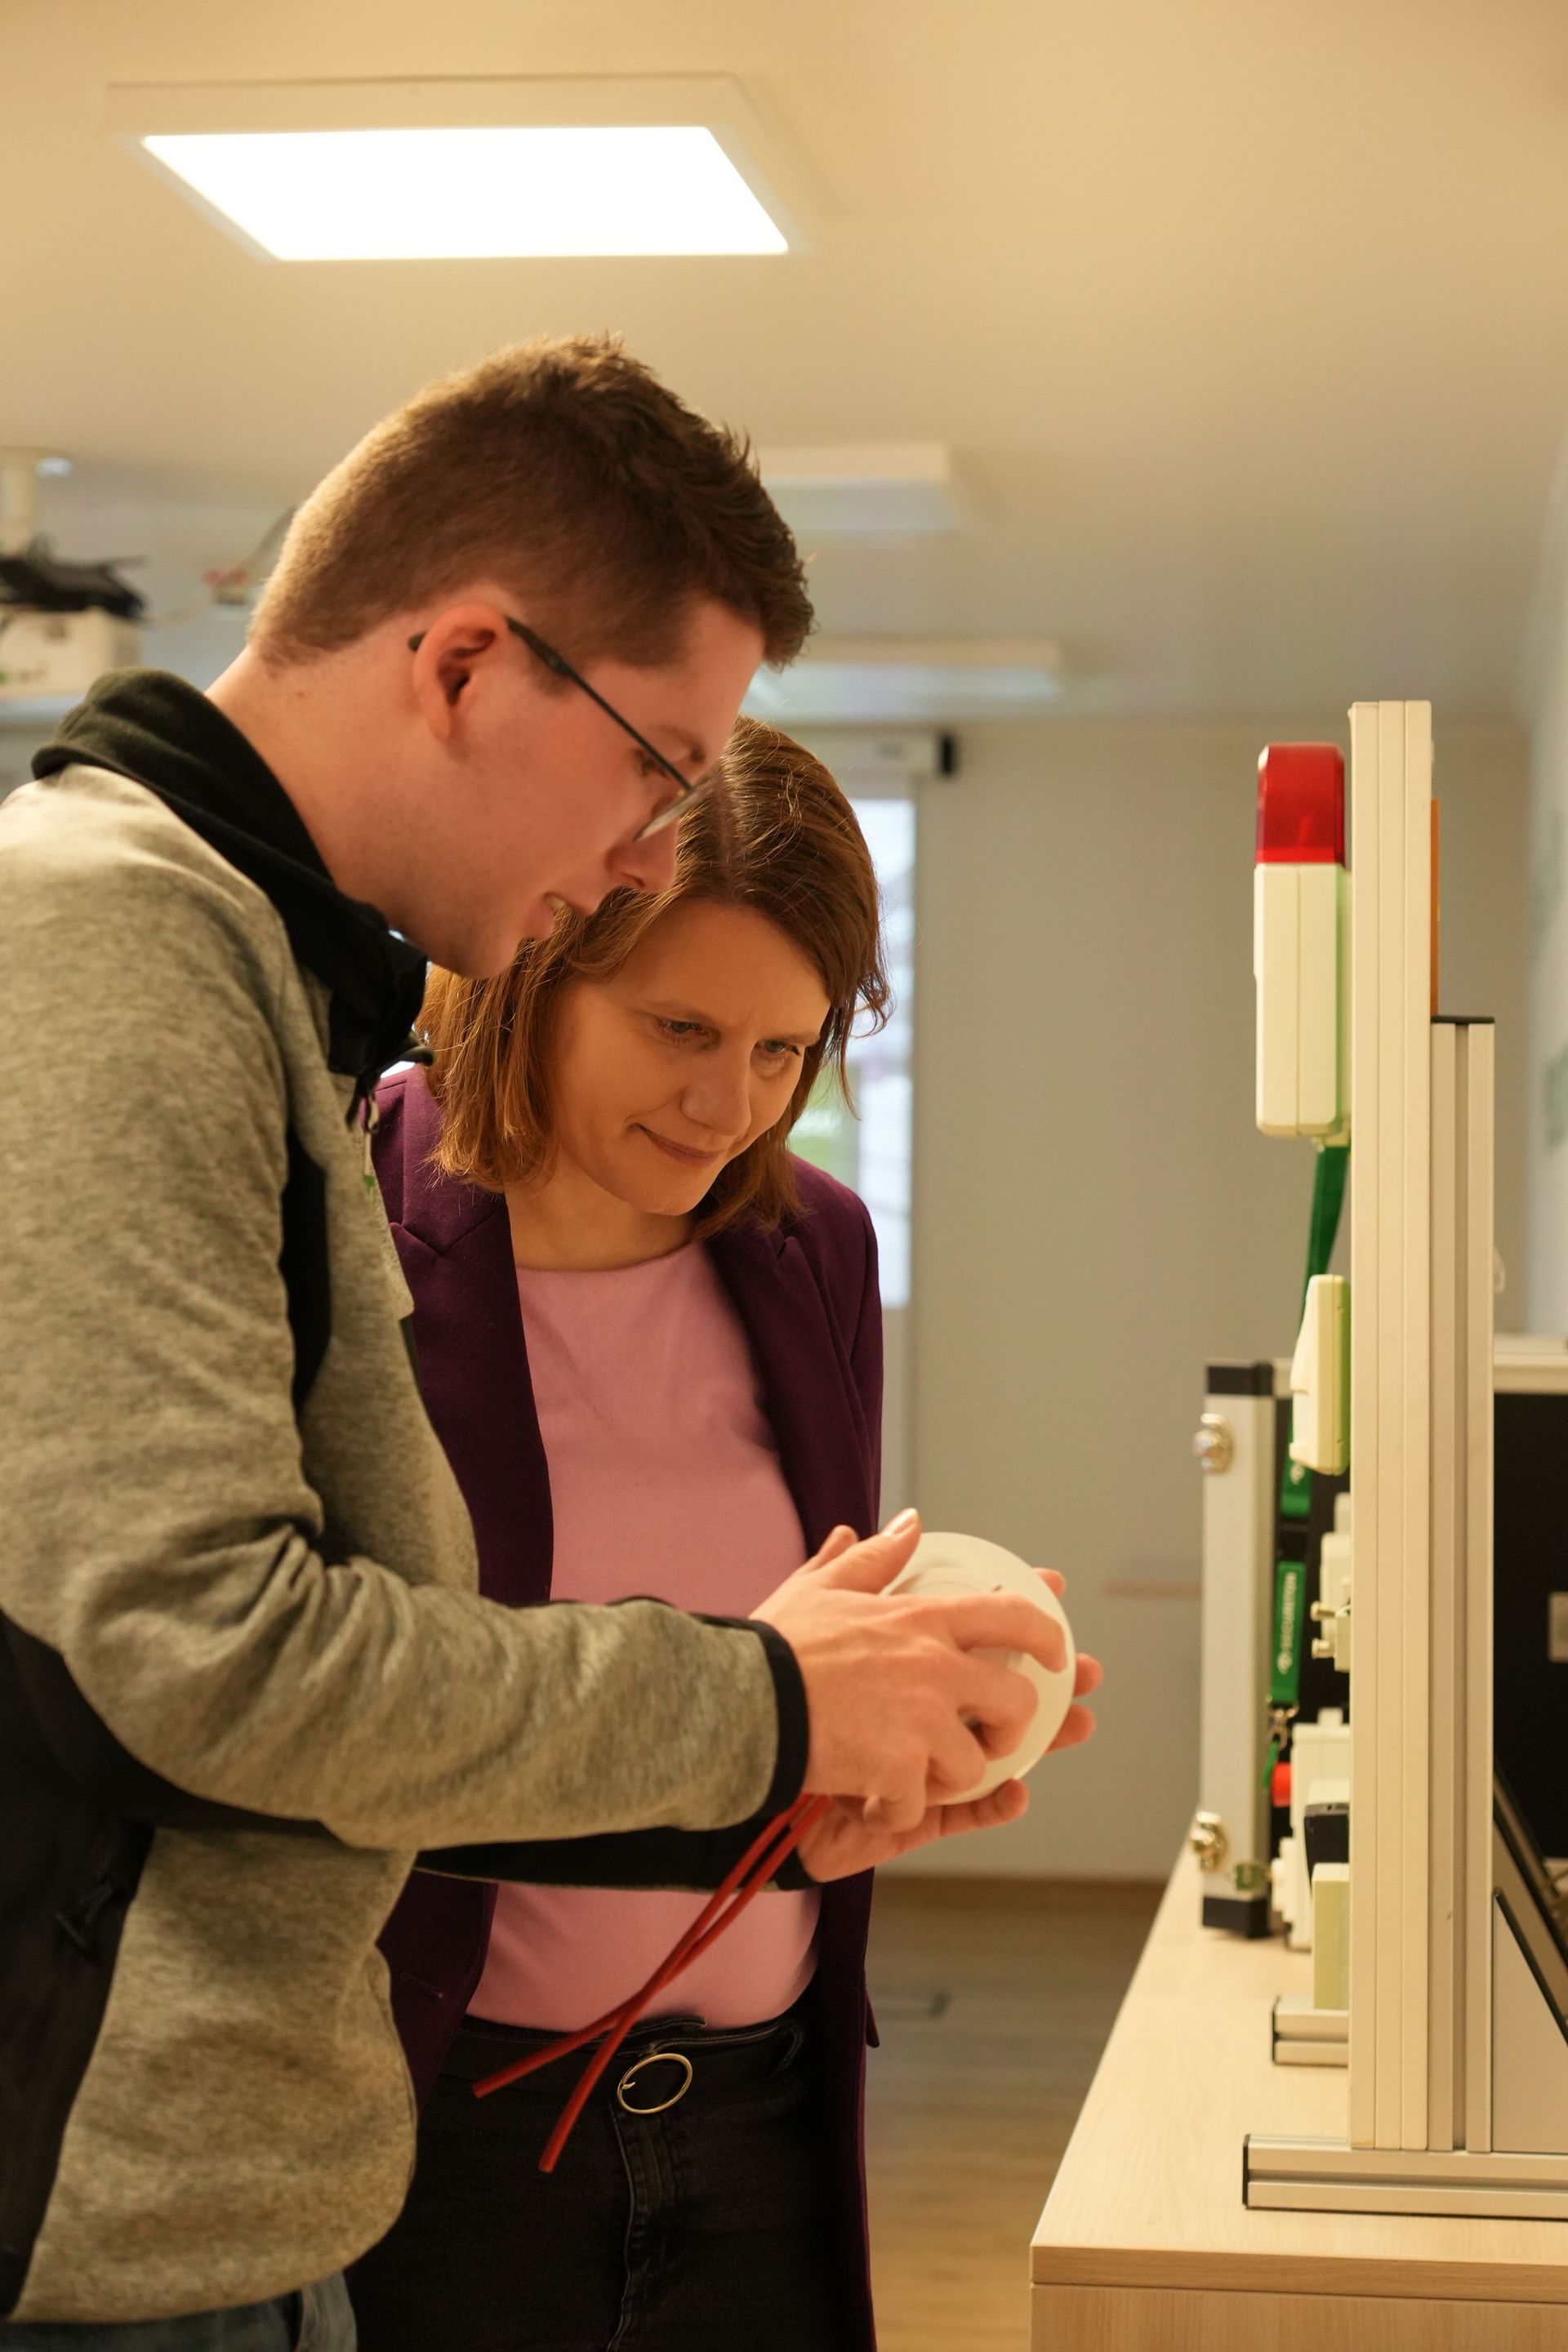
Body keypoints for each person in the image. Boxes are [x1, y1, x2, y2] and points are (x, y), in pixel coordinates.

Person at [0, 336, 1069, 2345]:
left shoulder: (254, 970)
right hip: (126, 2208)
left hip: (243, 2197)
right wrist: (765, 1701)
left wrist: (788, 1760)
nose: (661, 846)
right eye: (662, 765)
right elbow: (207, 1661)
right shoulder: (114, 937)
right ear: (466, 663)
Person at [345, 719, 1102, 2352]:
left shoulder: (811, 1242)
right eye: (681, 1026)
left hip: (764, 2113)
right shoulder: (339, 1214)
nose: (729, 1106)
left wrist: (884, 1732)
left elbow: (777, 1672)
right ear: (536, 955)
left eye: (787, 1052)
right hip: (433, 2133)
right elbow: (326, 1720)